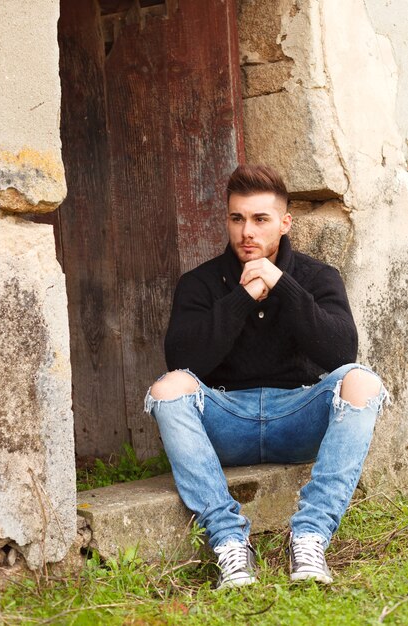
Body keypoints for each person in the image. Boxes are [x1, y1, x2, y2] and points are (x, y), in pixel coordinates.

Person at [144, 164, 389, 589]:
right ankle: (229, 543)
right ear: (227, 219)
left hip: (298, 417)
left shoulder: (317, 277)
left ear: (284, 223)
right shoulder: (199, 283)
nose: (247, 232)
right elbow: (183, 360)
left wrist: (283, 286)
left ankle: (310, 534)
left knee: (362, 380)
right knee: (168, 388)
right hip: (226, 421)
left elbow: (340, 353)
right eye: (237, 218)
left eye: (260, 219)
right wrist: (242, 298)